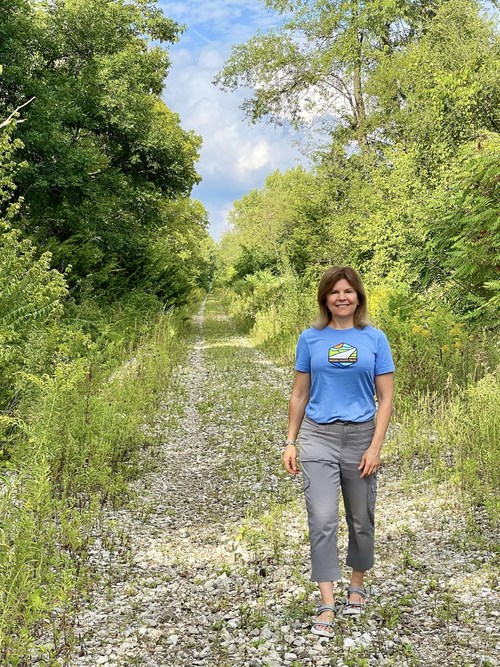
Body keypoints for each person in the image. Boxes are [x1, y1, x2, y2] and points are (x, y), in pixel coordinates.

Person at [283, 266, 394, 638]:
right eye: (335, 292)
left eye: (348, 291)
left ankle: (357, 583)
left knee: (361, 518)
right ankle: (327, 601)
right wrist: (290, 441)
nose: (342, 297)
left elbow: (387, 397)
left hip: (362, 436)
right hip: (318, 437)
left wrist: (375, 446)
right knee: (323, 519)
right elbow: (299, 394)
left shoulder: (375, 338)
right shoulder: (310, 338)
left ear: (358, 297)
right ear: (325, 298)